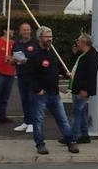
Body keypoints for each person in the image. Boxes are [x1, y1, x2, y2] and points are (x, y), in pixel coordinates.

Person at [26, 26, 78, 155]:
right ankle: (40, 145)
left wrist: (66, 74)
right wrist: (38, 90)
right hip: (41, 95)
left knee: (63, 119)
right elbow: (29, 75)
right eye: (47, 36)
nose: (50, 39)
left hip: (55, 93)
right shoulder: (34, 55)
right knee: (38, 121)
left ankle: (71, 142)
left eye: (51, 36)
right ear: (40, 38)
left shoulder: (53, 52)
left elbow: (59, 67)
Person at [63, 33, 98, 144]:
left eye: (78, 41)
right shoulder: (84, 55)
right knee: (80, 112)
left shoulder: (91, 56)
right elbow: (76, 67)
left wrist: (85, 89)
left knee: (77, 112)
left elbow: (91, 74)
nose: (76, 43)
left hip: (82, 89)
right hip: (78, 87)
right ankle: (84, 135)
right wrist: (74, 54)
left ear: (84, 42)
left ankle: (72, 136)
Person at [11, 22, 38, 133]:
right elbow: (13, 57)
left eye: (28, 29)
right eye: (25, 30)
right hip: (21, 74)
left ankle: (32, 123)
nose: (27, 32)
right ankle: (26, 121)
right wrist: (13, 60)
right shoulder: (16, 43)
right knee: (24, 99)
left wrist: (27, 60)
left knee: (32, 99)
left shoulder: (35, 43)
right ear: (20, 31)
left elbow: (38, 58)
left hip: (32, 75)